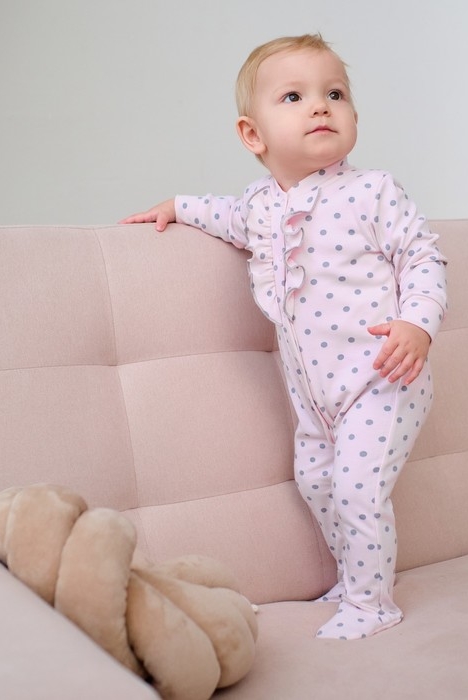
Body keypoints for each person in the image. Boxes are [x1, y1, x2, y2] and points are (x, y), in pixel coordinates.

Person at [122, 33, 447, 640]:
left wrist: (417, 323)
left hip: (383, 376)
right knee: (316, 481)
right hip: (314, 398)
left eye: (335, 94)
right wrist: (176, 206)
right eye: (294, 97)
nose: (320, 105)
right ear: (253, 135)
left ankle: (373, 603)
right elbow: (219, 214)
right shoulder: (257, 207)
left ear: (354, 117)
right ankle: (355, 577)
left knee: (356, 487)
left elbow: (422, 257)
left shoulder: (373, 191)